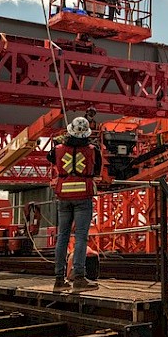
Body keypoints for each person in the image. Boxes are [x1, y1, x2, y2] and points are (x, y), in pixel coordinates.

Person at [48, 116, 110, 291]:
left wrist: (62, 142)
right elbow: (96, 170)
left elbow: (51, 158)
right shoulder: (93, 150)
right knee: (81, 237)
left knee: (62, 237)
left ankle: (59, 279)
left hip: (63, 198)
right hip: (83, 196)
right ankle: (79, 277)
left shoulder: (57, 149)